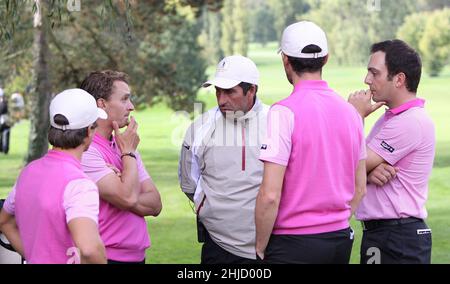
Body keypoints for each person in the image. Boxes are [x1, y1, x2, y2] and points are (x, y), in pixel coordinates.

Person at [255, 21, 367, 264]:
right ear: (325, 58)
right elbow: (360, 188)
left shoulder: (283, 112)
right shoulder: (351, 113)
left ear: (286, 60)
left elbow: (269, 195)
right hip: (338, 240)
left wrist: (260, 246)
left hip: (292, 244)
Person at [348, 40, 435, 264]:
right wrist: (367, 174)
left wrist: (354, 116)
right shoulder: (391, 118)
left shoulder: (409, 122)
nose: (367, 80)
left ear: (399, 79)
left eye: (374, 73)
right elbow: (357, 164)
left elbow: (345, 165)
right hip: (387, 235)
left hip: (396, 236)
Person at [0, 88, 107, 264]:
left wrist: (35, 257)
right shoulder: (80, 185)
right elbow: (90, 250)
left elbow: (4, 222)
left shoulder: (29, 171)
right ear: (89, 131)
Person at [179, 55, 269, 264]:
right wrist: (209, 210)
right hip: (219, 247)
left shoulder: (277, 121)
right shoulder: (200, 127)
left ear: (252, 90)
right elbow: (189, 182)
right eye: (218, 91)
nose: (221, 100)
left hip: (273, 246)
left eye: (230, 91)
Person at [80, 70, 162, 264]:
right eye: (124, 99)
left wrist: (123, 184)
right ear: (102, 104)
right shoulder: (86, 150)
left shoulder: (124, 144)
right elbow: (127, 197)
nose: (131, 107)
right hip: (105, 258)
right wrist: (128, 156)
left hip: (136, 257)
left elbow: (155, 204)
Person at [0, 89, 10, 154]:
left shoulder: (3, 103)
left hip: (3, 121)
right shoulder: (6, 103)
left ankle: (3, 149)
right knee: (6, 135)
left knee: (5, 135)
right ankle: (4, 149)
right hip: (6, 121)